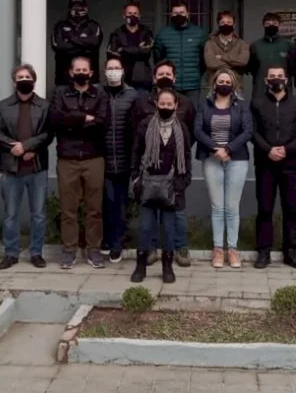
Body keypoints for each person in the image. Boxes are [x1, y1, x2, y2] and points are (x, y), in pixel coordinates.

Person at [131, 59, 197, 267]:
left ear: (175, 78)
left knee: (178, 213)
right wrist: (136, 176)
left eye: (168, 74)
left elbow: (190, 134)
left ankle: (180, 248)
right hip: (150, 170)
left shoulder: (185, 103)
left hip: (175, 168)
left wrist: (180, 166)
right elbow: (137, 137)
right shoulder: (143, 103)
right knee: (149, 215)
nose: (165, 77)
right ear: (154, 78)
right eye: (161, 74)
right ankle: (150, 248)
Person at [50, 55, 110, 270]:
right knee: (69, 209)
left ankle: (94, 250)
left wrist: (72, 119)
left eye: (86, 69)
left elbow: (103, 123)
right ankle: (69, 251)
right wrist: (85, 118)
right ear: (71, 72)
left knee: (95, 209)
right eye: (78, 69)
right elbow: (56, 120)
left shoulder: (100, 94)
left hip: (94, 158)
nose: (82, 72)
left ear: (91, 73)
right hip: (67, 158)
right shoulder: (60, 93)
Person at [0, 64, 52, 269]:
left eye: (27, 76)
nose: (23, 79)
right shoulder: (3, 105)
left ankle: (36, 253)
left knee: (39, 215)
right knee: (10, 215)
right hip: (11, 167)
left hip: (37, 168)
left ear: (34, 81)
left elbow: (48, 133)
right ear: (14, 81)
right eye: (20, 76)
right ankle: (11, 253)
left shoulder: (44, 106)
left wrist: (27, 146)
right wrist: (14, 148)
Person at [251, 65, 296, 270]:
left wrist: (287, 149)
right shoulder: (257, 103)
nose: (276, 79)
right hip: (265, 162)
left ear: (286, 80)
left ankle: (290, 251)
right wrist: (268, 150)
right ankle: (263, 252)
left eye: (280, 76)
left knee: (291, 209)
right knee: (265, 209)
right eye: (272, 77)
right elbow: (253, 131)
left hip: (290, 163)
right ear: (266, 81)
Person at [194, 67, 253, 269]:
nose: (224, 84)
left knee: (232, 207)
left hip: (237, 159)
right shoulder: (204, 104)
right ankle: (218, 248)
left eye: (228, 81)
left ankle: (233, 249)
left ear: (233, 84)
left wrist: (228, 149)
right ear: (214, 83)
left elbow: (247, 131)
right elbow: (198, 129)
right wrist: (214, 148)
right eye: (221, 81)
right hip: (212, 159)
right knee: (217, 207)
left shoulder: (242, 106)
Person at [101, 56, 139, 263]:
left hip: (124, 157)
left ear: (123, 71)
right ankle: (105, 241)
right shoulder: (98, 92)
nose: (113, 71)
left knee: (121, 203)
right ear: (105, 71)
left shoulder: (132, 95)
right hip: (103, 157)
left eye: (117, 68)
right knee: (105, 202)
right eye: (110, 68)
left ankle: (118, 244)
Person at [153, 2, 207, 103]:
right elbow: (158, 58)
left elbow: (204, 58)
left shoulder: (199, 33)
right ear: (171, 15)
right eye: (175, 13)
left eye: (182, 12)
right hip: (170, 83)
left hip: (192, 84)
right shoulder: (163, 34)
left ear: (187, 14)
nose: (179, 15)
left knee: (191, 114)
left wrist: (197, 73)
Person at [51, 0, 103, 87]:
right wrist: (84, 47)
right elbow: (59, 46)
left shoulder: (93, 25)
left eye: (81, 6)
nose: (78, 8)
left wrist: (71, 39)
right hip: (64, 80)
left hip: (91, 80)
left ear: (86, 8)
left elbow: (94, 43)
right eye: (75, 6)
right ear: (70, 8)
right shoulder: (60, 26)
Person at [106, 2, 155, 93]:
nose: (132, 16)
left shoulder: (146, 32)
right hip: (122, 79)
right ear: (124, 16)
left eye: (135, 13)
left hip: (142, 79)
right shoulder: (116, 33)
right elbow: (113, 55)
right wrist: (138, 49)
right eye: (129, 13)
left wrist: (123, 49)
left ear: (139, 16)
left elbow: (146, 52)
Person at [202, 10, 250, 92]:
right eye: (222, 22)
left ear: (234, 24)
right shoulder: (210, 43)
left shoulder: (242, 44)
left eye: (229, 22)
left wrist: (221, 57)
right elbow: (210, 63)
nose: (226, 24)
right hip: (213, 86)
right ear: (218, 24)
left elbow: (243, 61)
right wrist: (234, 65)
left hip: (236, 86)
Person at [248, 12, 293, 90]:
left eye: (275, 23)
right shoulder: (255, 45)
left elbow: (293, 68)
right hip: (260, 88)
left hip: (283, 88)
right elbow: (252, 69)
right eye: (268, 23)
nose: (271, 26)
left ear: (280, 25)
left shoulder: (288, 45)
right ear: (263, 25)